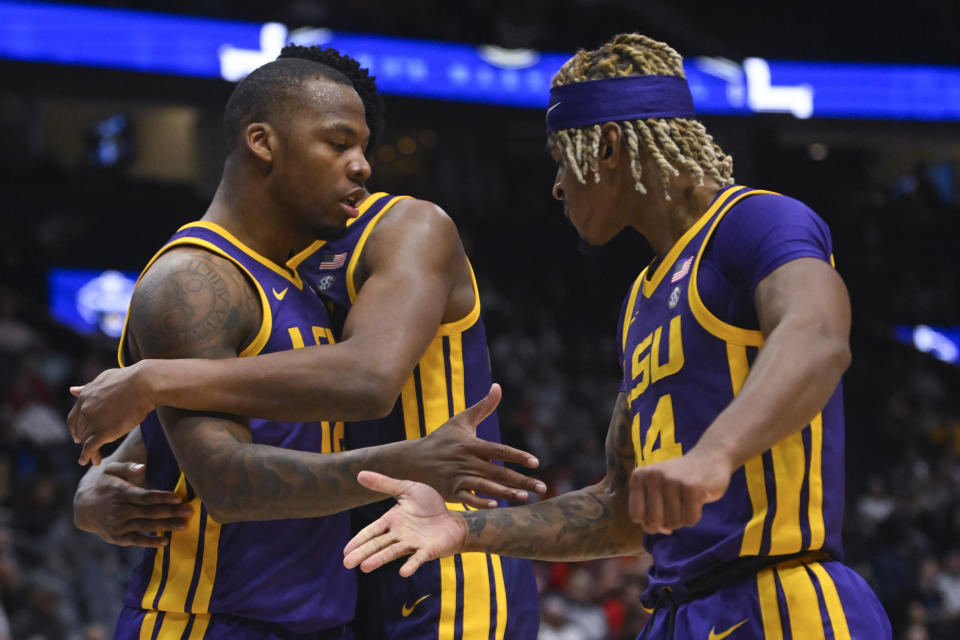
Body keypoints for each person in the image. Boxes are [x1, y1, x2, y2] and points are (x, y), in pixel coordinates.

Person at [340, 33, 894, 639]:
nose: (555, 185)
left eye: (559, 157)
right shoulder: (641, 299)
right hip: (680, 614)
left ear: (605, 146)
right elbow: (623, 513)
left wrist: (714, 455)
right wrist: (463, 529)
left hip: (783, 599)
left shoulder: (757, 221)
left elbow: (817, 338)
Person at [71, 47, 541, 639]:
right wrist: (104, 473)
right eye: (337, 142)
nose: (361, 166)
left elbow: (362, 377)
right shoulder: (223, 273)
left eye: (361, 146)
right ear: (263, 140)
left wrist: (152, 380)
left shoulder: (399, 228)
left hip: (434, 568)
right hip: (280, 597)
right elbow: (220, 422)